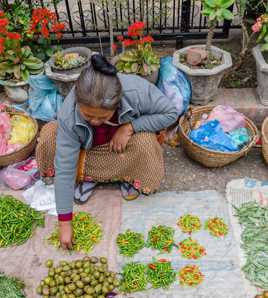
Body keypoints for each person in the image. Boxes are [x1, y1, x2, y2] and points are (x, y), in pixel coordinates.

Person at [36, 54, 179, 250]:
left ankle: (129, 176)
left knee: (146, 142)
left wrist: (130, 127)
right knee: (50, 133)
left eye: (102, 116)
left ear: (117, 103)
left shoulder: (136, 90)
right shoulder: (69, 114)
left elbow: (170, 113)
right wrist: (65, 223)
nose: (94, 122)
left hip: (121, 148)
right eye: (87, 116)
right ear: (78, 102)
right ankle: (88, 177)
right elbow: (65, 167)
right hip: (88, 151)